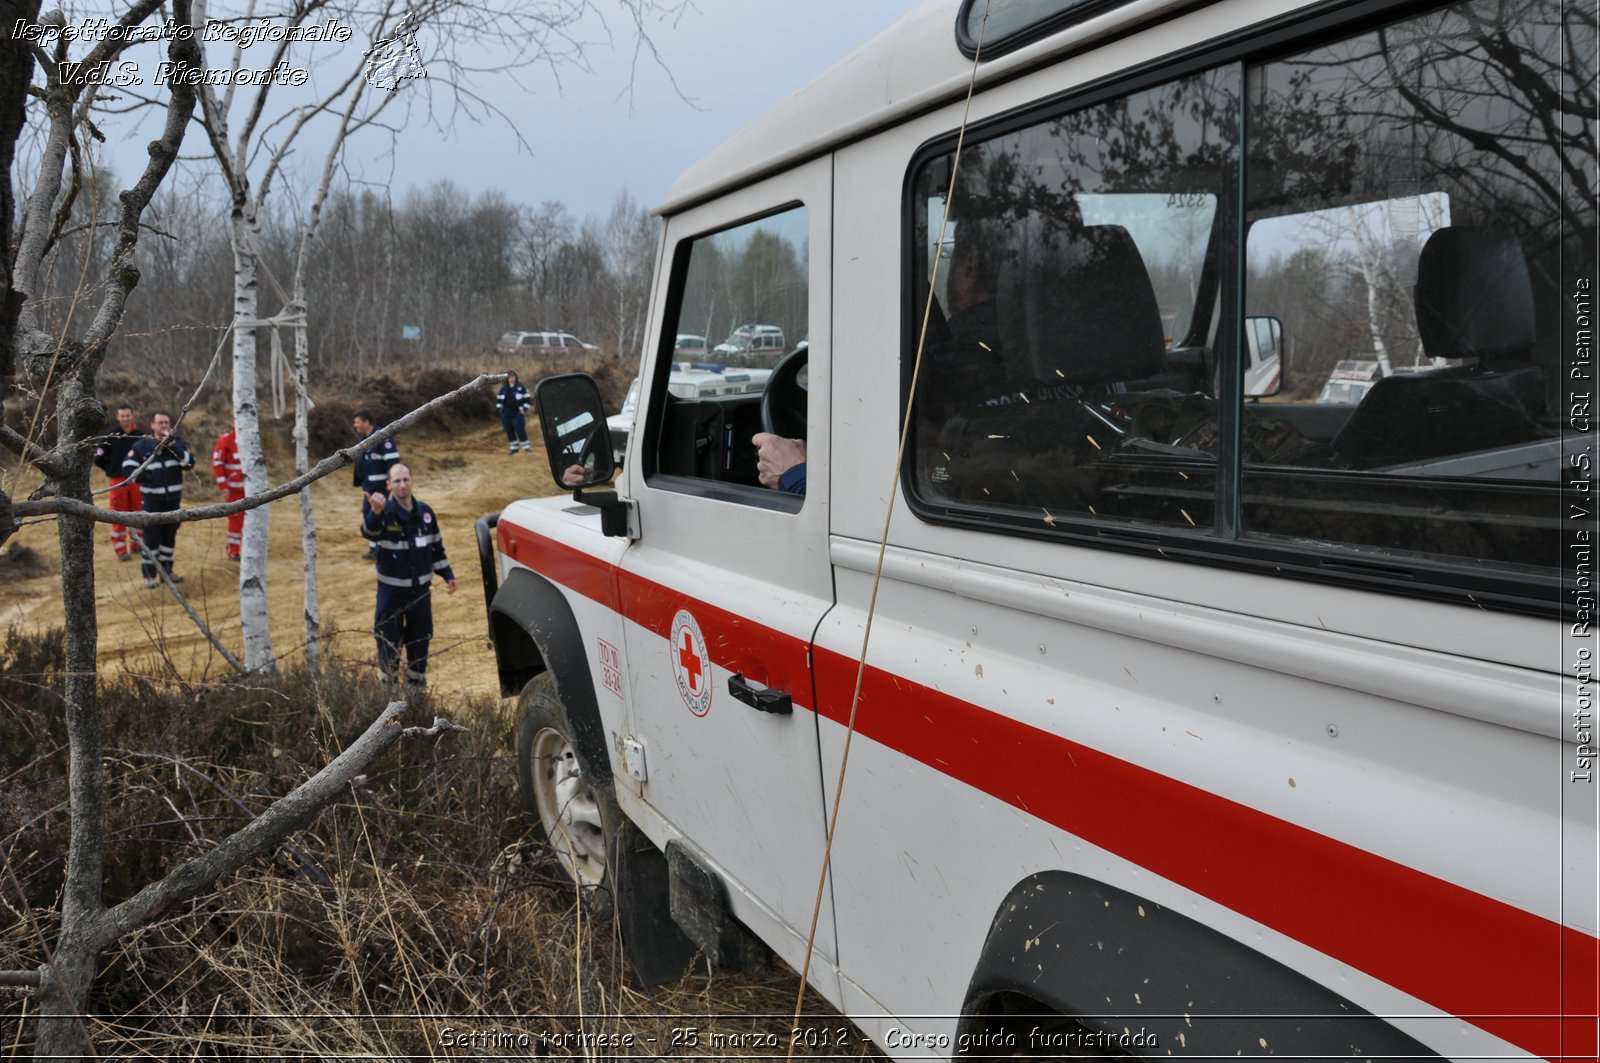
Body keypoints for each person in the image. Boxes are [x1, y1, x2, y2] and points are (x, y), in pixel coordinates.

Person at [362, 463, 457, 688]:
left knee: (420, 644)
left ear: (412, 481)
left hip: (420, 595)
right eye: (397, 481)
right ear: (389, 485)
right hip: (391, 595)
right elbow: (369, 533)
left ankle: (416, 701)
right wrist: (375, 512)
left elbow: (436, 547)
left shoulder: (425, 513)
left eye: (406, 480)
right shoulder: (382, 512)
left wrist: (447, 573)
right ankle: (389, 703)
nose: (402, 485)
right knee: (388, 646)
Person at [124, 411, 195, 588]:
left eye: (166, 422)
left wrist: (173, 446)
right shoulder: (141, 446)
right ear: (152, 425)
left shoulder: (177, 444)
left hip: (173, 501)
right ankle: (149, 576)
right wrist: (149, 479)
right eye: (160, 423)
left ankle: (167, 572)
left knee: (169, 538)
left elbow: (189, 464)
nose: (164, 425)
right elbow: (128, 469)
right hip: (152, 501)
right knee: (151, 538)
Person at [92, 403, 145, 561]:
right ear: (117, 417)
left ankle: (137, 545)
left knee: (138, 512)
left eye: (127, 415)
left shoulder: (140, 435)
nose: (125, 419)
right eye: (122, 416)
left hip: (136, 481)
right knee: (119, 514)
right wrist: (111, 468)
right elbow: (99, 457)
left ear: (132, 415)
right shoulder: (111, 435)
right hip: (117, 481)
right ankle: (120, 549)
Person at [352, 409, 401, 560]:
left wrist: (392, 481)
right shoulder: (363, 440)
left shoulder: (383, 437)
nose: (355, 425)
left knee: (376, 513)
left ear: (367, 422)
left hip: (381, 486)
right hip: (368, 486)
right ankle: (375, 547)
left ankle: (380, 547)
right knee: (369, 513)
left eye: (357, 422)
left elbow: (393, 461)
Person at [211, 425, 245, 561]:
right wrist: (223, 486)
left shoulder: (251, 439)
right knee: (235, 521)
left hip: (250, 491)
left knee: (249, 521)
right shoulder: (226, 440)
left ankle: (247, 548)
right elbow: (217, 464)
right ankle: (233, 551)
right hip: (234, 491)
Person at [496, 371, 533, 455]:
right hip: (506, 412)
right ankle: (514, 448)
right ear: (507, 379)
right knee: (509, 429)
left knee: (519, 428)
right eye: (510, 377)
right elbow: (498, 399)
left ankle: (526, 447)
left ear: (516, 377)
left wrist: (525, 408)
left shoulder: (521, 387)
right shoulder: (503, 389)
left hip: (517, 412)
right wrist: (499, 408)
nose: (512, 379)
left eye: (513, 377)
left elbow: (528, 399)